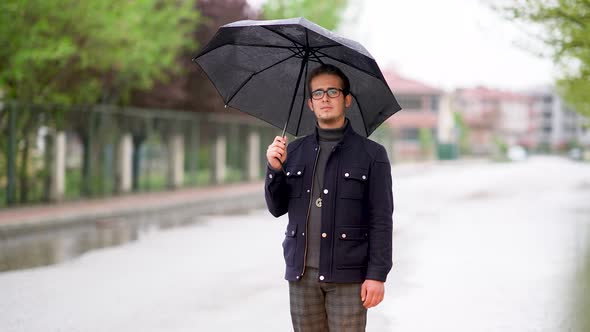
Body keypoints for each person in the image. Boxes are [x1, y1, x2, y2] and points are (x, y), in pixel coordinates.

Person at [265, 63, 394, 332]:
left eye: (333, 91)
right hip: (302, 275)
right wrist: (274, 169)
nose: (325, 98)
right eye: (318, 93)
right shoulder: (295, 151)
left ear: (346, 99)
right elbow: (277, 208)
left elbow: (381, 220)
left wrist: (377, 275)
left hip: (348, 277)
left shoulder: (372, 155)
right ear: (310, 104)